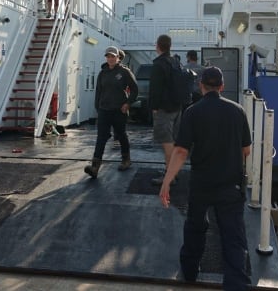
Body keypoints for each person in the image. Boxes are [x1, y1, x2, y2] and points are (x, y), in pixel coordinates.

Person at [158, 66, 251, 289]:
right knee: (233, 236)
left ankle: (189, 273)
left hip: (202, 184)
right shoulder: (238, 111)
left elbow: (181, 152)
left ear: (201, 86)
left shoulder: (192, 112)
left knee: (195, 229)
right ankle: (237, 284)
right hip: (230, 184)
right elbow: (246, 150)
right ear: (222, 86)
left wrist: (166, 182)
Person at [85, 46, 138, 178]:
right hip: (104, 110)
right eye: (108, 56)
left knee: (121, 134)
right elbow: (98, 91)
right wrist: (98, 107)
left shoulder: (125, 72)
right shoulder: (102, 73)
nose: (110, 58)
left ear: (118, 57)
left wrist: (128, 103)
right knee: (101, 137)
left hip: (119, 110)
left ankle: (126, 159)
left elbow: (134, 89)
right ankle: (95, 167)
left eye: (113, 56)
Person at [149, 34, 182, 185]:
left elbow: (155, 89)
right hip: (176, 107)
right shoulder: (175, 61)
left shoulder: (159, 64)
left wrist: (154, 107)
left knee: (167, 142)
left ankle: (169, 176)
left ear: (158, 46)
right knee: (173, 141)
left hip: (164, 108)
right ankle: (173, 171)